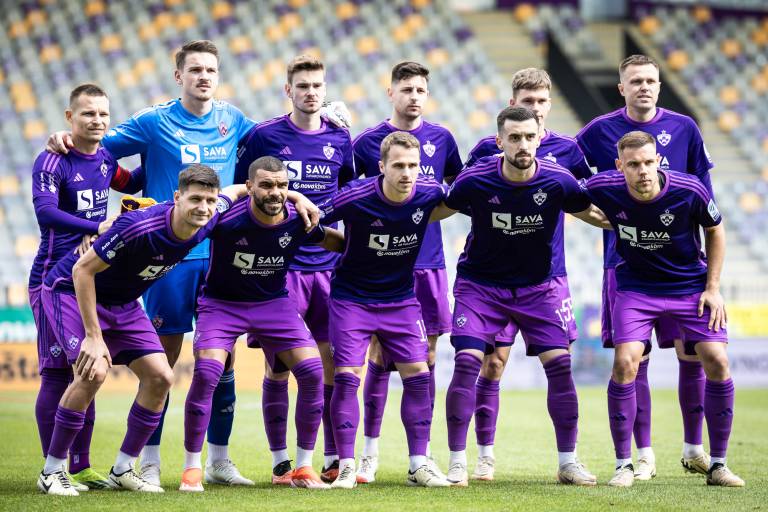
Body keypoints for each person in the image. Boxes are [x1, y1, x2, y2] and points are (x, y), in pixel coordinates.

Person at [44, 40, 256, 485]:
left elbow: (273, 145)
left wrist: (326, 115)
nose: (203, 76)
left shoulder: (233, 119)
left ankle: (218, 461)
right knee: (165, 359)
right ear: (178, 76)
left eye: (210, 69)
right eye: (194, 69)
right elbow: (98, 148)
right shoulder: (153, 121)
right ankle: (150, 462)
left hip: (219, 253)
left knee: (223, 360)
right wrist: (66, 140)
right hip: (165, 257)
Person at [37, 165, 243, 495]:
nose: (203, 207)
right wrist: (94, 336)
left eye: (209, 200)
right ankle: (52, 470)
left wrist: (295, 197)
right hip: (70, 292)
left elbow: (236, 191)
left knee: (161, 377)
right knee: (93, 372)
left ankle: (123, 468)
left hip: (123, 302)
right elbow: (82, 271)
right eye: (195, 199)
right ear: (177, 198)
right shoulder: (139, 226)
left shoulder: (208, 217)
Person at [439, 106, 608, 487]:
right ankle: (457, 462)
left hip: (539, 289)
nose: (523, 144)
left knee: (560, 366)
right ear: (499, 142)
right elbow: (437, 210)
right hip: (481, 287)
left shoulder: (559, 181)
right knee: (467, 363)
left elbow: (594, 215)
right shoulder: (475, 180)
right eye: (514, 138)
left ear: (540, 138)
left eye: (530, 137)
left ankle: (568, 462)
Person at [576, 54, 715, 479]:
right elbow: (569, 180)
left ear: (659, 84)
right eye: (635, 81)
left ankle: (694, 448)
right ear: (622, 87)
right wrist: (597, 217)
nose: (644, 87)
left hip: (681, 268)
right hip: (624, 265)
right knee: (634, 360)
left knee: (692, 355)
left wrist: (708, 273)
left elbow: (705, 198)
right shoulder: (597, 132)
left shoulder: (684, 128)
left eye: (650, 80)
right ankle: (644, 454)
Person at [583, 131, 743, 488]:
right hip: (636, 289)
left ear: (658, 161)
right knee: (625, 363)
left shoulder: (689, 190)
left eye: (648, 162)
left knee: (717, 360)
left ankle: (718, 464)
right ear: (619, 166)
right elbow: (567, 197)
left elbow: (716, 230)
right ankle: (624, 464)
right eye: (633, 164)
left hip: (690, 287)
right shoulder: (603, 187)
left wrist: (713, 289)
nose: (642, 171)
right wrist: (598, 219)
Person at [180, 156, 343, 491]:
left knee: (313, 371)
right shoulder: (226, 219)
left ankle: (303, 466)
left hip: (273, 304)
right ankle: (192, 467)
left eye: (282, 186)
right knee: (208, 372)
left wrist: (366, 250)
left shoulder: (298, 219)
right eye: (266, 185)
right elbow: (187, 229)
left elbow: (332, 241)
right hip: (222, 305)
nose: (275, 192)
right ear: (250, 186)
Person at [463, 68, 591, 480]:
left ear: (549, 104)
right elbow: (465, 195)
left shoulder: (568, 151)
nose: (534, 109)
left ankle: (568, 461)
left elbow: (586, 200)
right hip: (491, 280)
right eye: (527, 101)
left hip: (547, 277)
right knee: (492, 364)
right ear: (512, 104)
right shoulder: (486, 149)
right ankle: (484, 456)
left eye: (541, 102)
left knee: (560, 365)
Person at [233, 55, 355, 484]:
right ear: (288, 90)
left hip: (327, 268)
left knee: (329, 362)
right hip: (278, 268)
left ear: (325, 89)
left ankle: (332, 457)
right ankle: (281, 461)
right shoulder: (264, 135)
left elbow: (348, 194)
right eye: (302, 85)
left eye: (317, 85)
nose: (311, 92)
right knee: (280, 366)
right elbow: (241, 190)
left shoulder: (340, 138)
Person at [30, 83, 144, 491]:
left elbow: (131, 181)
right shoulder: (52, 160)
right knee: (57, 374)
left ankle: (79, 467)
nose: (97, 121)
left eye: (103, 114)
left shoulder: (106, 158)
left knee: (87, 369)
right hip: (52, 280)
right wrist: (97, 226)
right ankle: (54, 469)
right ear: (69, 117)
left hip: (88, 275)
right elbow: (46, 212)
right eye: (88, 113)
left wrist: (160, 148)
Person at [351, 61, 462, 482]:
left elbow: (456, 193)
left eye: (420, 90)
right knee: (380, 356)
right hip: (381, 265)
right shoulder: (366, 143)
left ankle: (422, 454)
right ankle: (370, 452)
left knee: (426, 358)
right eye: (407, 89)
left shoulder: (443, 139)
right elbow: (353, 196)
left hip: (428, 263)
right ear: (391, 93)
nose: (414, 96)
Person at [321, 132, 450, 489]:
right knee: (347, 376)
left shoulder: (429, 193)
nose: (407, 173)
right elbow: (313, 219)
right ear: (381, 166)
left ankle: (419, 464)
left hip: (401, 300)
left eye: (413, 165)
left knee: (419, 374)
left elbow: (464, 199)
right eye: (399, 166)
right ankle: (347, 465)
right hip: (352, 299)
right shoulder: (355, 196)